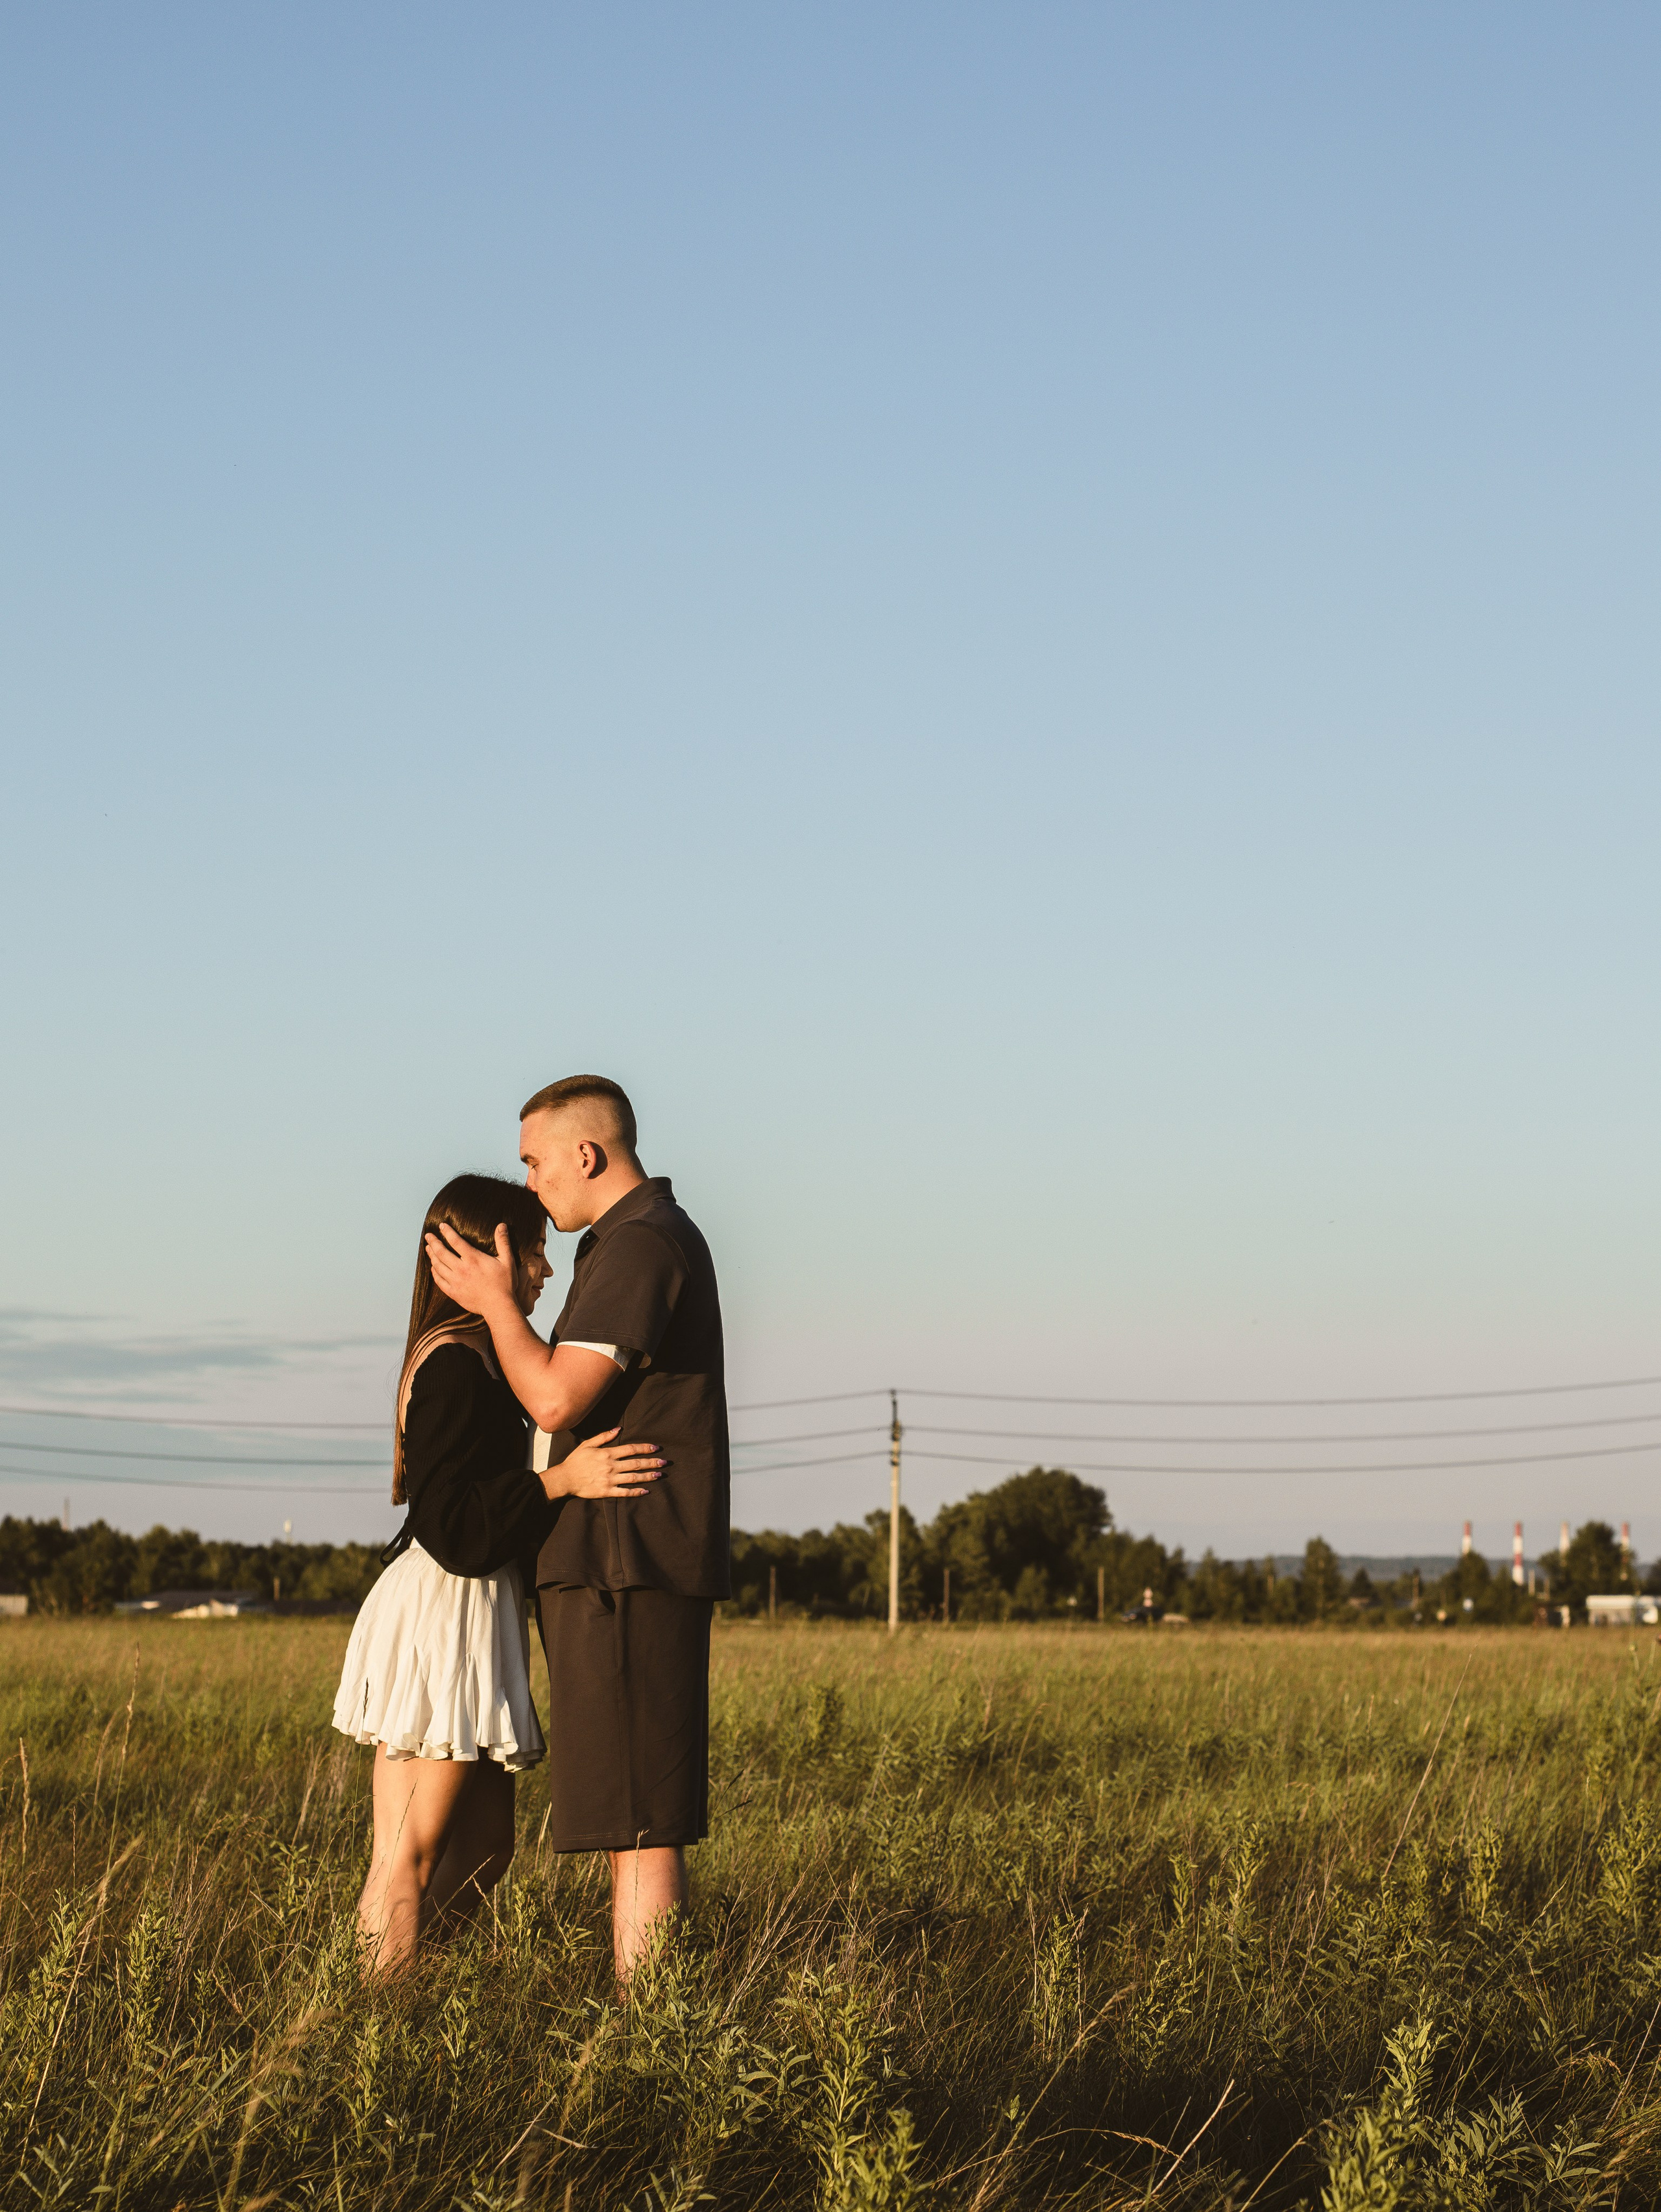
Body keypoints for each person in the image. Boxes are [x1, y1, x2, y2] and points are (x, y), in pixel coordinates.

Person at [424, 1075, 730, 1980]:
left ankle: (655, 2031)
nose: (529, 1181)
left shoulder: (641, 1242)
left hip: (625, 1563)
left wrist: (496, 1303)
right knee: (631, 1818)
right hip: (610, 1564)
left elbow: (556, 1395)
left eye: (534, 1160)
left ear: (586, 1154)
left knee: (643, 1822)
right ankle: (651, 2023)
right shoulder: (622, 1243)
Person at [334, 1172, 662, 1976]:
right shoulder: (453, 1361)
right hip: (443, 1608)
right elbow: (449, 1524)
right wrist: (560, 1482)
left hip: (475, 1611)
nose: (546, 1270)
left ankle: (409, 1985)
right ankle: (373, 2012)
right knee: (407, 1853)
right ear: (489, 1254)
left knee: (485, 1846)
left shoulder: (483, 1353)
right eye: (535, 1251)